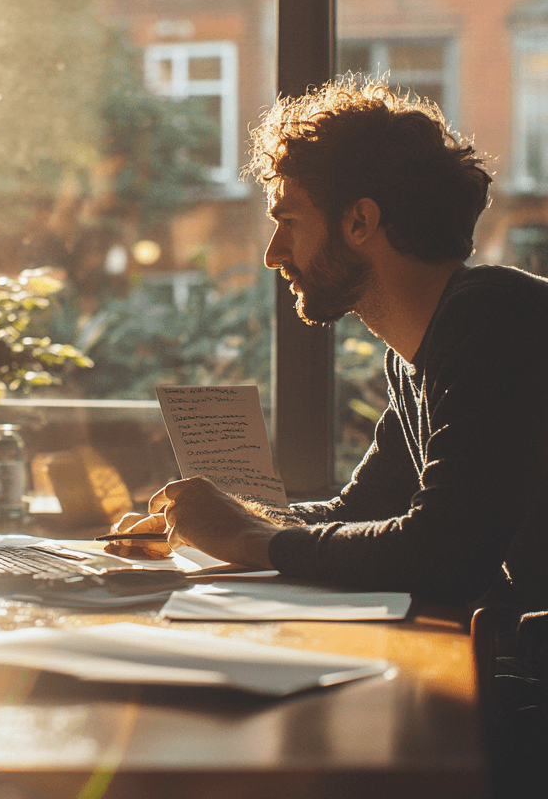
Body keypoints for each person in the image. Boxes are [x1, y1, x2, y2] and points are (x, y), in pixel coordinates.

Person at [110, 78, 548, 615]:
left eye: (289, 221)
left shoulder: (495, 320)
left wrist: (250, 538)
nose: (273, 254)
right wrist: (212, 521)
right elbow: (361, 510)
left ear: (360, 220)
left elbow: (447, 551)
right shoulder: (421, 353)